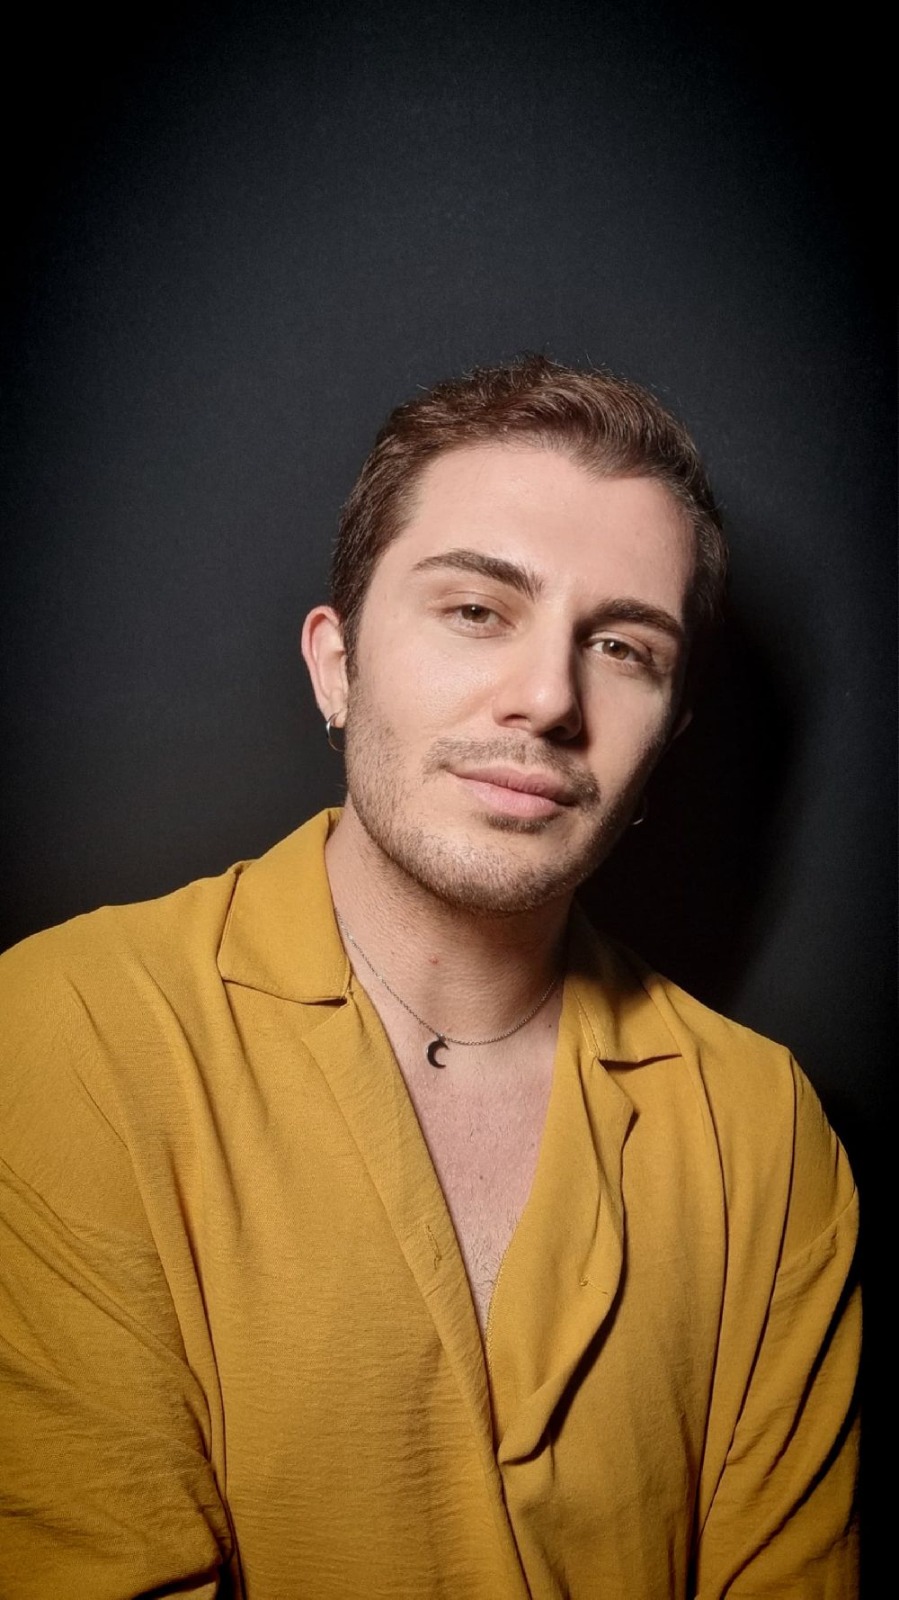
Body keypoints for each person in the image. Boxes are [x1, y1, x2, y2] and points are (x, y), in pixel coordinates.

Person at [0, 356, 859, 1599]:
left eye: (620, 646)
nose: (547, 699)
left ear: (665, 740)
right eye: (475, 610)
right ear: (335, 664)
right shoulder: (67, 1033)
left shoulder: (762, 1127)